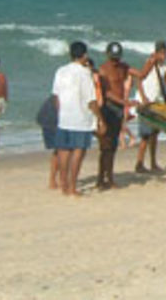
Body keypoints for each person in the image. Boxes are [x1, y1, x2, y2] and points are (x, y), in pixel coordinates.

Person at [52, 41, 104, 196]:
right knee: (78, 152)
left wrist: (60, 112)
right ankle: (72, 187)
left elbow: (56, 96)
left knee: (63, 151)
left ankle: (63, 185)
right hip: (80, 118)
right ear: (85, 55)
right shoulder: (84, 73)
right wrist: (100, 119)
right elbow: (91, 101)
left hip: (64, 117)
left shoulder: (61, 71)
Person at [96, 41, 138, 189]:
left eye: (117, 58)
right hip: (108, 108)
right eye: (113, 58)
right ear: (107, 55)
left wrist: (152, 62)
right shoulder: (102, 70)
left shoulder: (124, 67)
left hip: (119, 109)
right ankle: (102, 179)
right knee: (105, 146)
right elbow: (106, 93)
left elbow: (141, 75)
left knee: (112, 146)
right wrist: (125, 102)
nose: (115, 61)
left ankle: (108, 177)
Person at [135, 40, 166, 173]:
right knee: (145, 135)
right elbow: (139, 79)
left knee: (154, 134)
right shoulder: (150, 62)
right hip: (145, 102)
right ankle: (139, 163)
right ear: (157, 53)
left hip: (156, 103)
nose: (164, 56)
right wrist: (144, 98)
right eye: (162, 53)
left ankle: (153, 163)